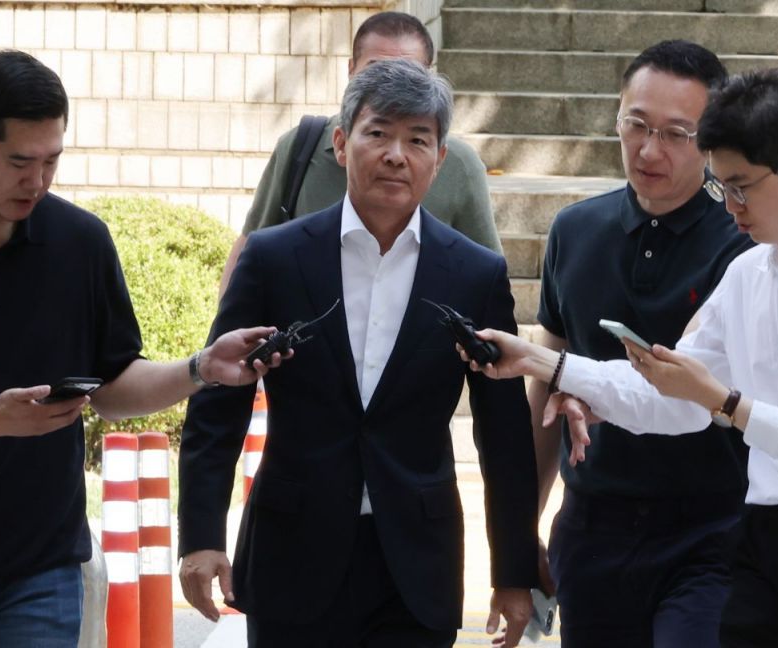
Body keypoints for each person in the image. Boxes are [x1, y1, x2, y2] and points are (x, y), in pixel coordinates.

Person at [465, 68, 778, 648]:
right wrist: (543, 363)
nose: (731, 208)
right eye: (721, 189)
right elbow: (670, 399)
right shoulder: (748, 275)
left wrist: (725, 402)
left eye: (741, 187)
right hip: (762, 545)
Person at [0, 50, 284, 647]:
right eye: (20, 162)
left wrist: (200, 369)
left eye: (52, 160)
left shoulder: (80, 241)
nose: (38, 181)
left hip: (38, 574)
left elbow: (113, 388)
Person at [178, 58, 539, 648]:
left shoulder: (475, 274)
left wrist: (514, 571)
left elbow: (504, 434)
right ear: (342, 144)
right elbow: (220, 402)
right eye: (379, 133)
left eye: (417, 139)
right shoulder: (274, 257)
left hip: (415, 568)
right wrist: (201, 536)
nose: (396, 155)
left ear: (439, 159)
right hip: (291, 554)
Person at [528, 40, 753, 647]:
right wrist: (522, 522)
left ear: (712, 140)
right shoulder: (575, 230)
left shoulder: (745, 248)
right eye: (637, 125)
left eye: (677, 134)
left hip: (711, 532)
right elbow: (546, 382)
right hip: (593, 528)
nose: (650, 150)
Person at [218, 10, 501, 299]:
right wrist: (227, 322)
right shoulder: (300, 147)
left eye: (408, 72)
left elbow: (485, 277)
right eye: (375, 71)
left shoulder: (460, 166)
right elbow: (250, 247)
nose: (391, 86)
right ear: (351, 70)